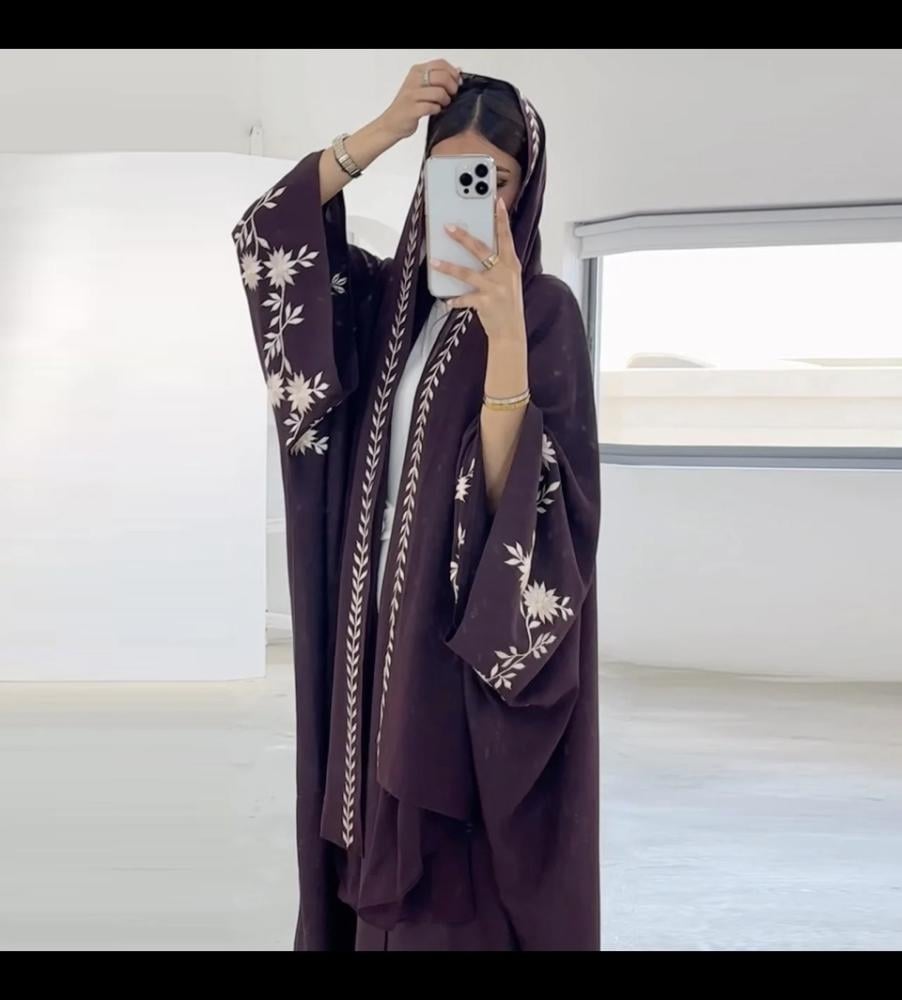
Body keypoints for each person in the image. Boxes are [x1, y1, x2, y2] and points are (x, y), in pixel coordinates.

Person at [231, 61, 600, 952]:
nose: (474, 200)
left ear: (525, 188)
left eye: (495, 180)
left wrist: (504, 337)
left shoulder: (544, 313)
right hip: (368, 642)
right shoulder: (381, 306)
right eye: (450, 175)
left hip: (452, 649)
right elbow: (267, 236)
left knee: (445, 892)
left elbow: (536, 511)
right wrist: (387, 129)